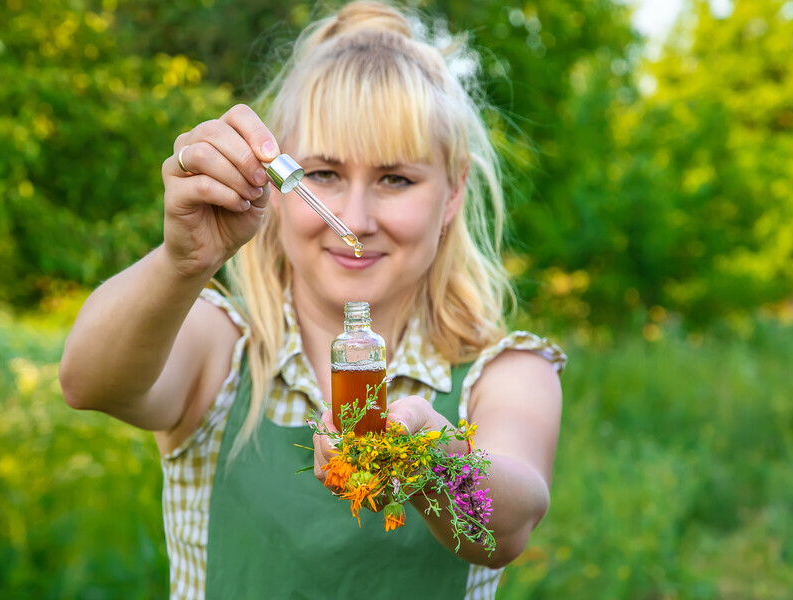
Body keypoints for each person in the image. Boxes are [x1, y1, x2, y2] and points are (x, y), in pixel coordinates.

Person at [59, 1, 566, 599]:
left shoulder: (504, 375)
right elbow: (88, 383)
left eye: (395, 179)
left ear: (452, 194)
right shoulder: (221, 349)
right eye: (323, 174)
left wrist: (422, 455)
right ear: (275, 183)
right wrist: (182, 262)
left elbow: (508, 524)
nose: (355, 219)